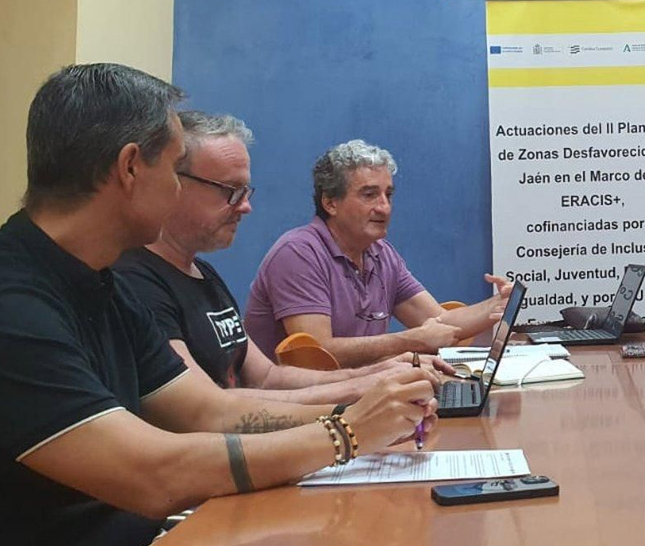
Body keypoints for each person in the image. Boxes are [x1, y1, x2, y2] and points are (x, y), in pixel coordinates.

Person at [0, 64, 438, 546]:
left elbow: (209, 412)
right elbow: (152, 475)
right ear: (130, 167)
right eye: (176, 170)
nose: (178, 190)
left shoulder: (99, 284)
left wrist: (367, 405)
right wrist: (345, 434)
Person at [114, 111, 431, 404]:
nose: (245, 207)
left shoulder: (204, 276)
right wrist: (357, 396)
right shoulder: (135, 282)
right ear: (173, 183)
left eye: (245, 192)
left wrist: (377, 373)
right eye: (230, 190)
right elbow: (205, 409)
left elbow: (266, 378)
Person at [244, 140, 511, 366]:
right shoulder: (298, 254)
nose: (384, 208)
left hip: (358, 396)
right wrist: (410, 341)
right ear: (330, 202)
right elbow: (317, 355)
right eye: (369, 195)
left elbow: (437, 322)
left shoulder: (381, 253)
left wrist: (497, 304)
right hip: (295, 410)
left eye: (388, 195)